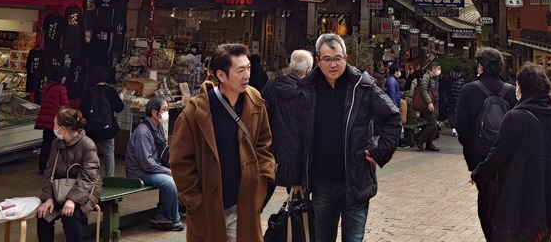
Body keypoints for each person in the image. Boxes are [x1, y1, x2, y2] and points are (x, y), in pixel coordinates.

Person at [290, 33, 401, 242]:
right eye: (327, 59)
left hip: (356, 181)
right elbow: (295, 135)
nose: (333, 64)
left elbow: (392, 117)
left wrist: (381, 150)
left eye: (338, 58)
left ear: (346, 58)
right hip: (322, 183)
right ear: (317, 61)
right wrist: (295, 176)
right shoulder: (307, 90)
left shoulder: (363, 87)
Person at [171, 43, 275, 242]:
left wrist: (262, 181)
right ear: (221, 75)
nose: (247, 75)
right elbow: (180, 161)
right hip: (208, 207)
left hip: (244, 203)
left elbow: (263, 143)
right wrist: (194, 200)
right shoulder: (196, 112)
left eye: (248, 68)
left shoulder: (255, 102)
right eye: (240, 70)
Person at [470, 63, 551, 242]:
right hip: (549, 200)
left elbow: (498, 155)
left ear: (522, 88)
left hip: (517, 199)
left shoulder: (514, 117)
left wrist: (478, 173)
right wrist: (548, 160)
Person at [454, 47, 517, 242]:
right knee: (505, 197)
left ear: (480, 66)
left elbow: (461, 126)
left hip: (479, 157)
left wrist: (471, 149)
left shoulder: (469, 89)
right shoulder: (512, 92)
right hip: (507, 158)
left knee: (485, 198)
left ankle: (492, 236)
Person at [36, 107, 102, 242]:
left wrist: (73, 200)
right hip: (59, 189)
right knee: (43, 215)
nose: (53, 128)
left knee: (70, 217)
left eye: (55, 125)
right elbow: (49, 171)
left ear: (63, 128)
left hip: (85, 191)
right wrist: (48, 197)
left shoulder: (87, 144)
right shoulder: (56, 144)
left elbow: (88, 176)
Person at [262, 49, 313, 209]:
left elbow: (261, 116)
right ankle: (295, 234)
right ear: (308, 70)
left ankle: (248, 232)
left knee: (258, 203)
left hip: (271, 153)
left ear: (290, 65)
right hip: (297, 157)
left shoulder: (271, 85)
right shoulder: (308, 92)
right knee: (300, 208)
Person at [125, 97, 182, 231]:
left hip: (151, 169)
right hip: (139, 172)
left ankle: (162, 212)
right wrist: (167, 171)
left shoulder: (158, 127)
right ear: (154, 113)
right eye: (164, 109)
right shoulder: (142, 133)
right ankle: (174, 219)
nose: (166, 113)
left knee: (178, 176)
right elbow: (146, 163)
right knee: (169, 182)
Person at [80, 66, 125, 177]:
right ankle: (110, 177)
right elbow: (120, 107)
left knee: (91, 152)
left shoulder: (89, 92)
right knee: (109, 152)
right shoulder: (110, 91)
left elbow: (83, 109)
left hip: (92, 129)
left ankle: (92, 176)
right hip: (108, 128)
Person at [35, 73, 70, 174]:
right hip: (56, 120)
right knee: (58, 144)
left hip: (45, 119)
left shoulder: (46, 87)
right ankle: (55, 167)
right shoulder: (61, 89)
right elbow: (65, 105)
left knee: (46, 143)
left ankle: (42, 167)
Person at [414, 60, 441, 151]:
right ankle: (420, 140)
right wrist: (429, 102)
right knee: (432, 124)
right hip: (429, 103)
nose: (439, 70)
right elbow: (423, 90)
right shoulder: (427, 77)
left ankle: (429, 144)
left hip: (435, 102)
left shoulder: (435, 78)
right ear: (433, 69)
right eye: (438, 69)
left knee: (433, 124)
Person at [445, 68, 465, 136]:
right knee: (458, 114)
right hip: (458, 99)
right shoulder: (461, 80)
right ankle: (456, 128)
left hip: (450, 99)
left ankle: (453, 127)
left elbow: (446, 89)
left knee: (451, 113)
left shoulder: (449, 79)